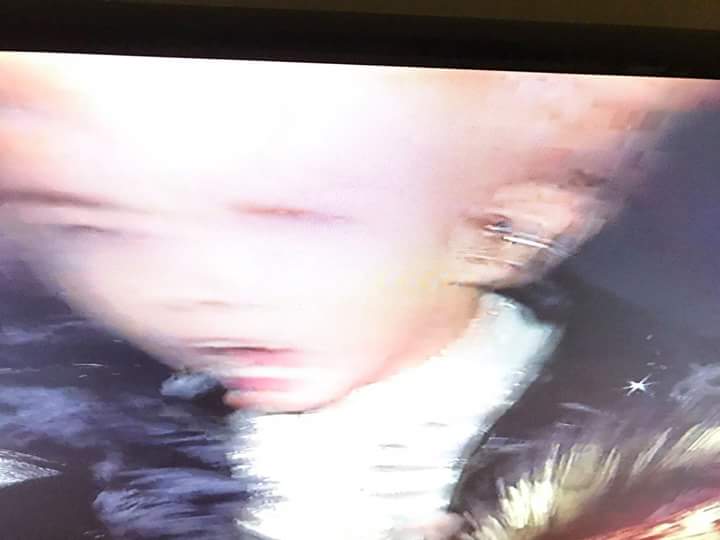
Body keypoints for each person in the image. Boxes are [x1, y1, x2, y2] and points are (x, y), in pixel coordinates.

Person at [0, 52, 718, 540]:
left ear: (508, 213)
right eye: (94, 226)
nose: (186, 288)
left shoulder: (674, 455)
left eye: (291, 216)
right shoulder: (51, 431)